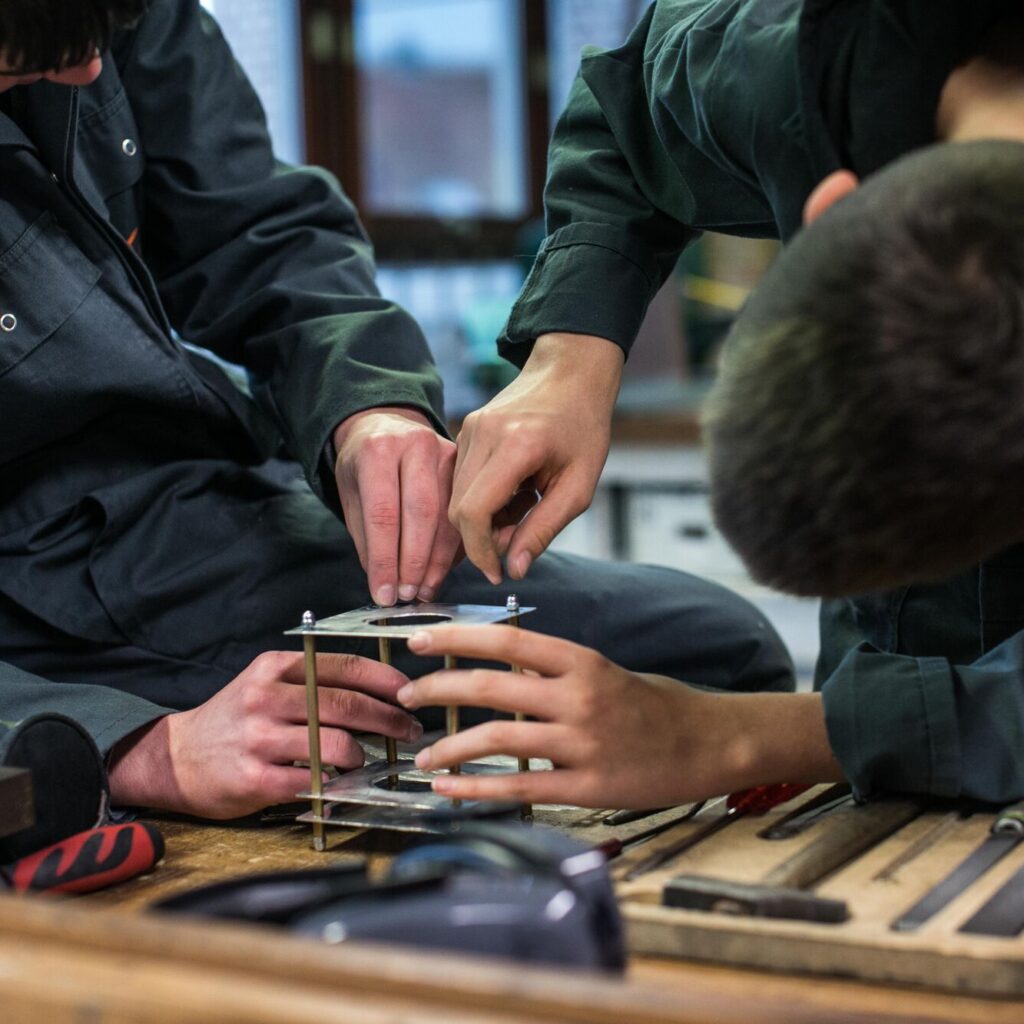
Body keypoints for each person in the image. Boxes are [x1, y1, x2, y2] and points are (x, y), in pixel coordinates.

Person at [0, 0, 793, 819]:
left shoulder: (113, 18)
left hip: (196, 503)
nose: (89, 72)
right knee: (709, 676)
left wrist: (370, 409)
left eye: (101, 35)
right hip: (32, 625)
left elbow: (258, 234)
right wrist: (128, 748)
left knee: (716, 658)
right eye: (26, 55)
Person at [408, 0, 1024, 808]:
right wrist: (569, 353)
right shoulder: (798, 67)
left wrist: (737, 734)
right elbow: (625, 118)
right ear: (833, 204)